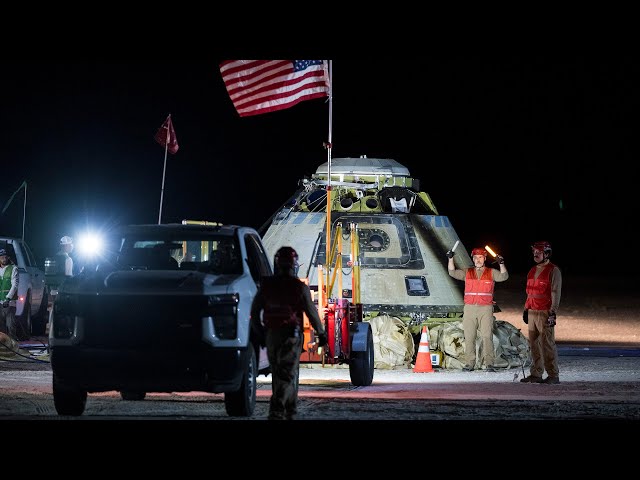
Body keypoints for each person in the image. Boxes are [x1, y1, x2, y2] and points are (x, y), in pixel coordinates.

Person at [250, 246, 327, 420]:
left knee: (279, 374)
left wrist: (260, 333)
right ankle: (276, 411)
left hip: (271, 335)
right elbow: (312, 313)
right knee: (287, 374)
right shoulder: (298, 287)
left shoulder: (267, 286)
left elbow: (255, 312)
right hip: (290, 337)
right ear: (294, 264)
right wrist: (321, 334)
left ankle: (290, 411)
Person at [448, 247, 509, 371]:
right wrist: (450, 258)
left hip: (485, 309)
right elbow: (452, 272)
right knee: (469, 336)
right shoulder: (467, 272)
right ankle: (469, 364)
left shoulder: (491, 272)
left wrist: (501, 264)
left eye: (480, 257)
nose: (478, 260)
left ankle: (489, 363)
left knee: (487, 336)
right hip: (469, 309)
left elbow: (504, 276)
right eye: (475, 257)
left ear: (485, 258)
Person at [520, 241, 562, 384]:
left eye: (538, 252)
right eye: (534, 252)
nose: (535, 255)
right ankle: (536, 373)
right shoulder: (532, 270)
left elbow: (555, 292)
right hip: (532, 311)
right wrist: (526, 309)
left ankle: (553, 375)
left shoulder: (553, 270)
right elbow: (529, 293)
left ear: (547, 254)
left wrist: (553, 312)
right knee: (534, 344)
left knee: (547, 344)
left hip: (545, 311)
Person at [0, 248, 19, 339]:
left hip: (9, 303)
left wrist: (8, 298)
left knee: (10, 326)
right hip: (0, 303)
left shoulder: (13, 269)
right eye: (1, 257)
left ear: (8, 258)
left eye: (5, 257)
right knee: (2, 328)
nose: (3, 259)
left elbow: (14, 285)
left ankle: (13, 347)